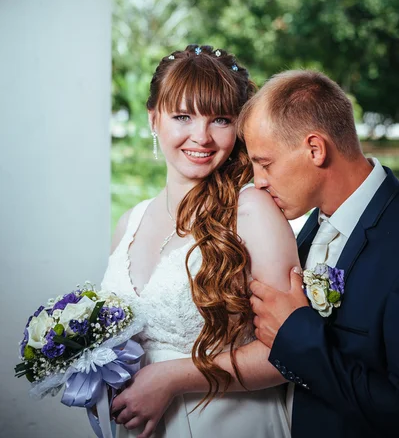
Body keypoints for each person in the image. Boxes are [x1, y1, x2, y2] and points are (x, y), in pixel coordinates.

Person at [101, 45, 299, 438]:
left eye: (221, 119)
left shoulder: (253, 211)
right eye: (182, 116)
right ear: (154, 118)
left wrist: (172, 379)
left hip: (227, 421)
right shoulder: (130, 222)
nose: (202, 137)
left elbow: (289, 353)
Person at [239, 69, 399, 438]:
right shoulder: (310, 226)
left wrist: (297, 334)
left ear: (315, 149)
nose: (258, 180)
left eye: (265, 163)